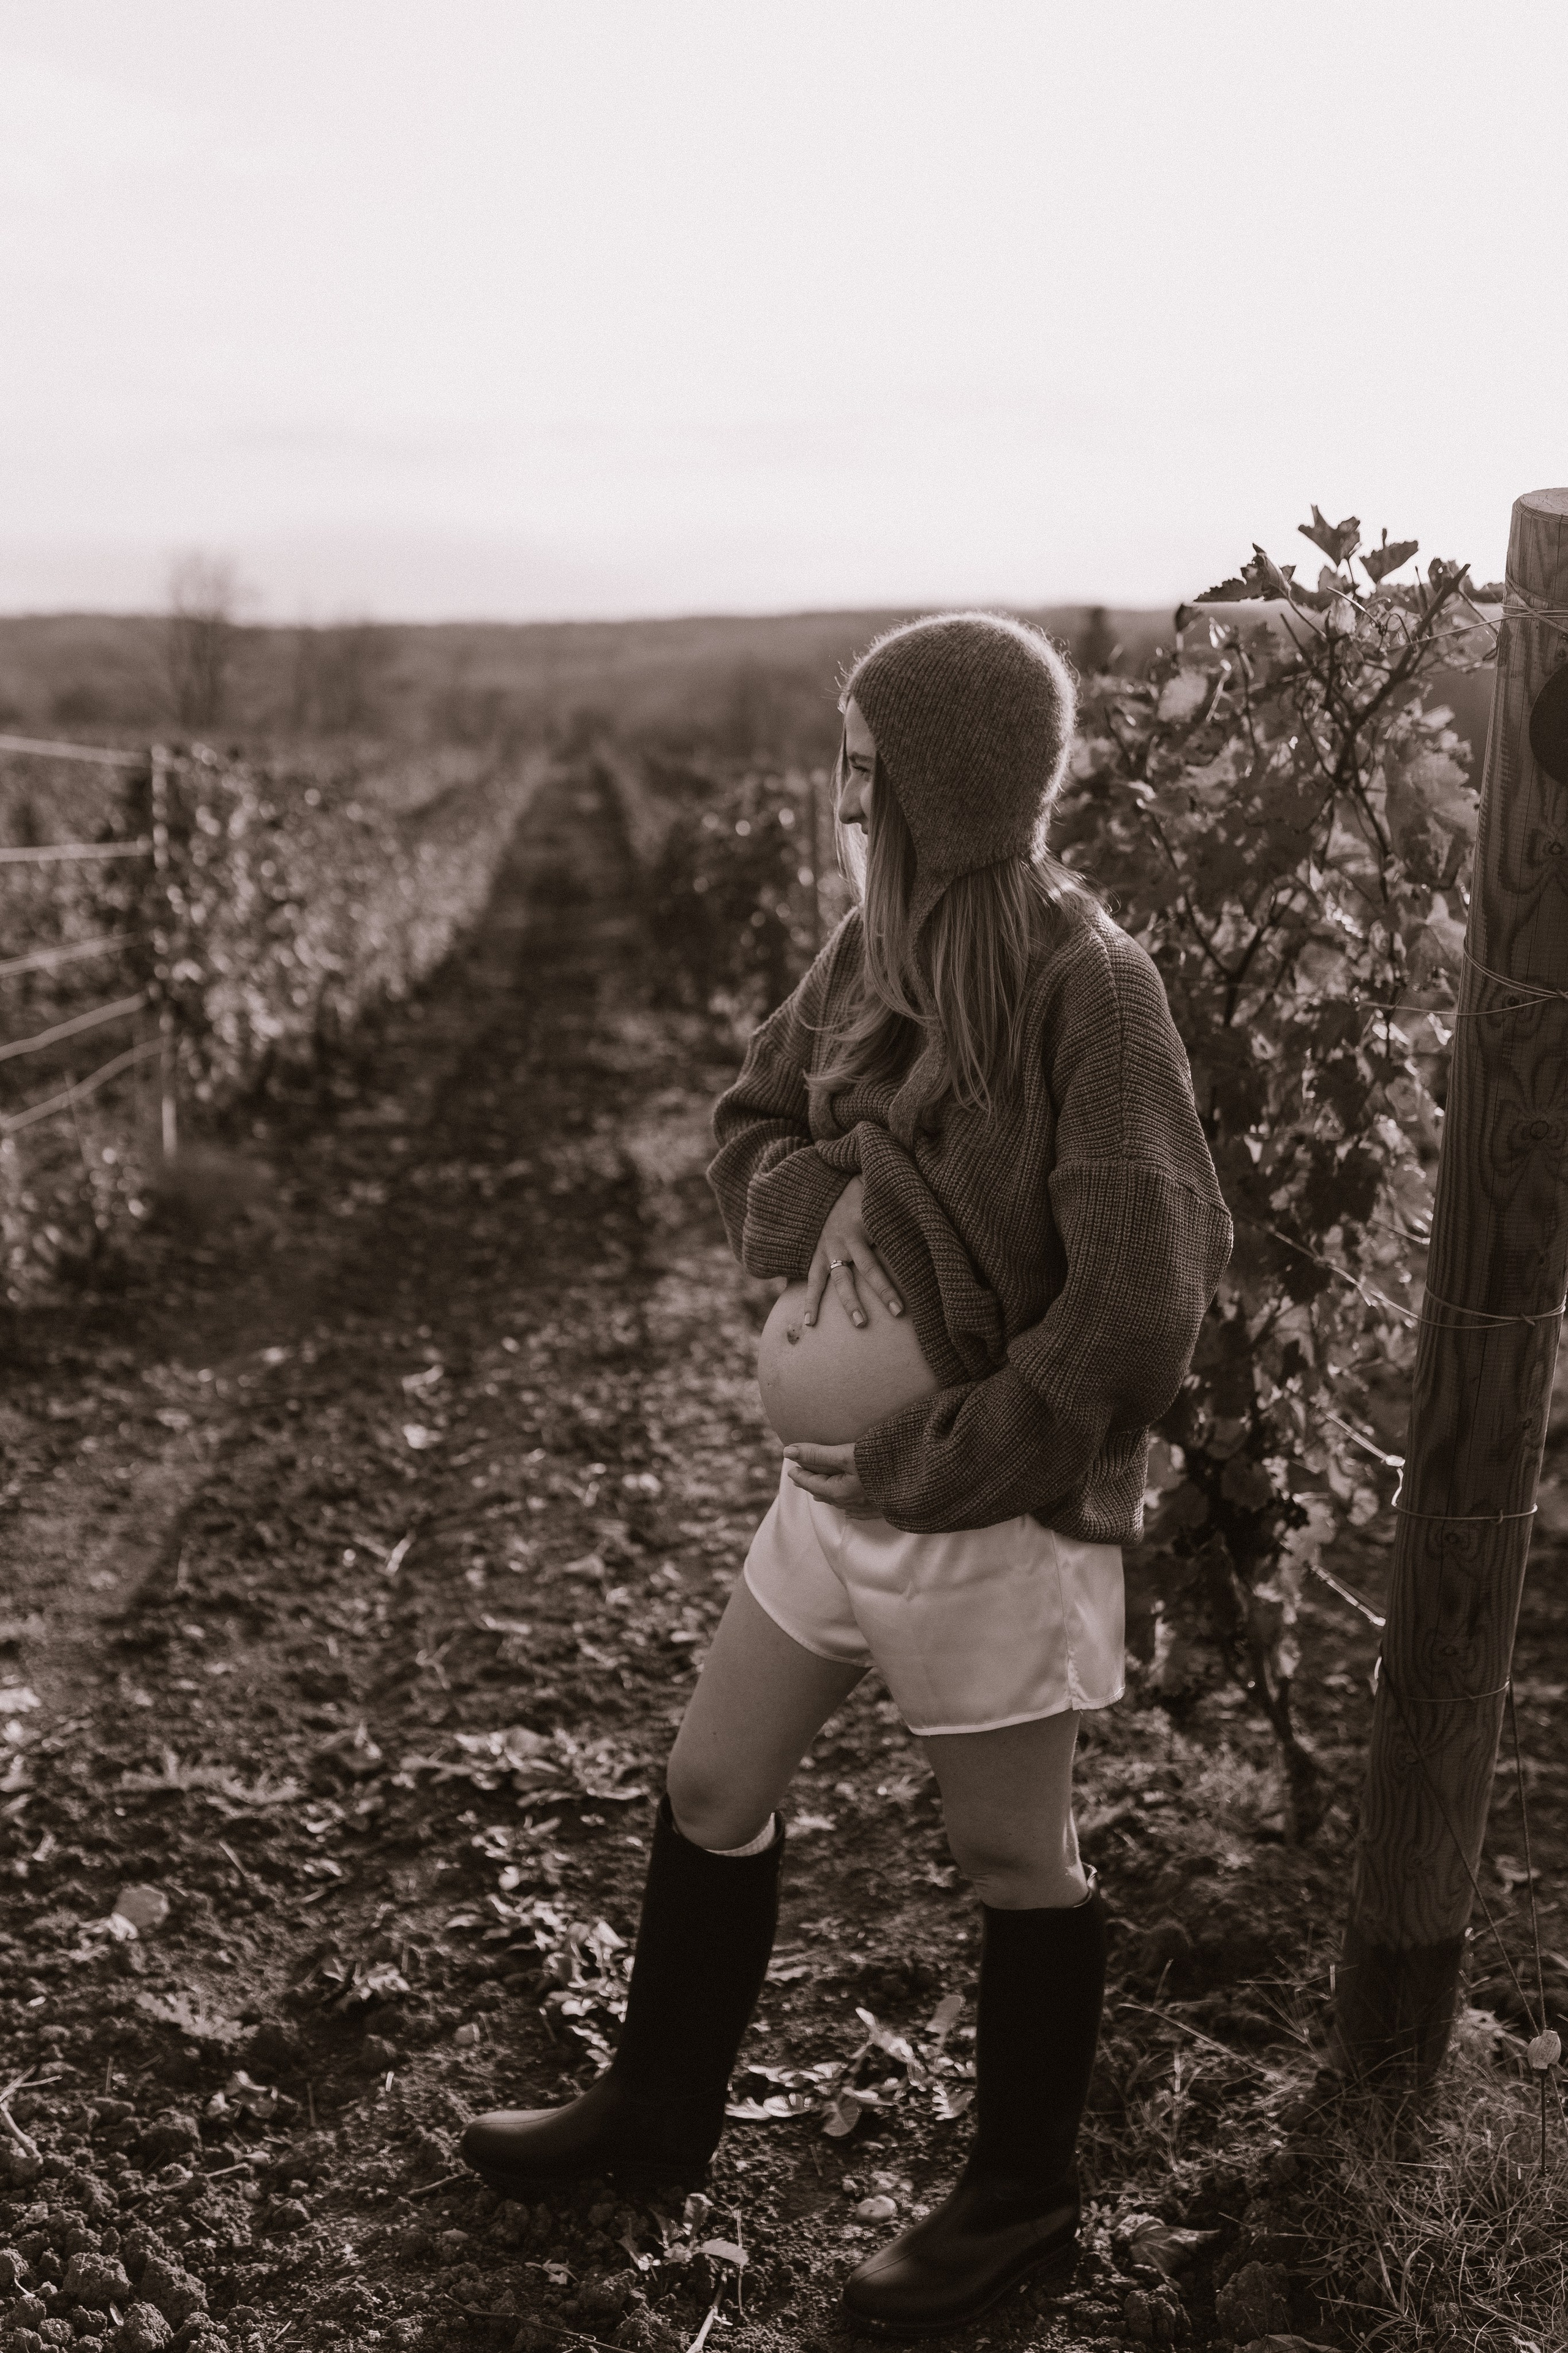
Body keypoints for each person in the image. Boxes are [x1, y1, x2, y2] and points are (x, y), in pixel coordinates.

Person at [461, 611, 1234, 2338]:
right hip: (821, 1499)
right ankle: (657, 2113)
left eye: (866, 768)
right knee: (712, 1777)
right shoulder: (864, 950)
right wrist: (836, 1199)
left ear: (944, 790)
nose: (838, 795)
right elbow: (748, 1121)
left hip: (979, 1513)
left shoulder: (1088, 989)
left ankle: (1021, 2199)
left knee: (1012, 1857)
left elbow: (1140, 1294)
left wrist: (939, 1448)